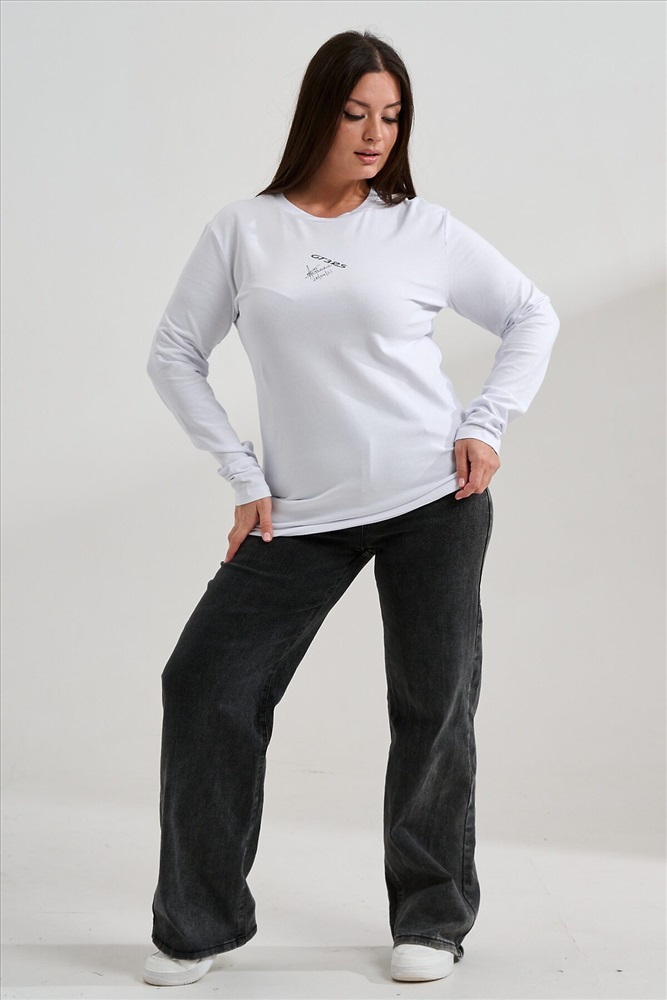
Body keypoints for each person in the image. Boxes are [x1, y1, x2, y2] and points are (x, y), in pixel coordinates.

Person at [142, 29, 559, 988]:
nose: (375, 135)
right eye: (355, 113)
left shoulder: (420, 228)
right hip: (297, 513)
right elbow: (173, 354)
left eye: (392, 117)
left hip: (432, 498)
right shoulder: (245, 230)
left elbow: (530, 313)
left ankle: (432, 919)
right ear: (317, 114)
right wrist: (243, 476)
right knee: (204, 684)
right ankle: (198, 922)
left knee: (432, 705)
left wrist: (486, 422)